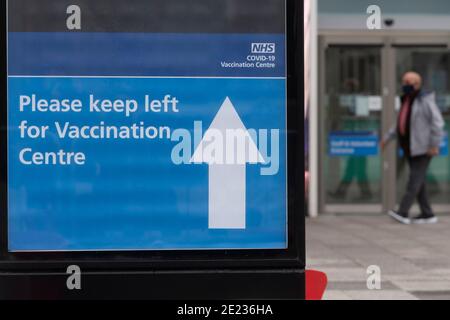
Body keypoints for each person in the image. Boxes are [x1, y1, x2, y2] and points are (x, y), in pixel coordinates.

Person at [381, 71, 444, 224]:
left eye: (407, 82)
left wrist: (434, 145)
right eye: (403, 81)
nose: (404, 85)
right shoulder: (407, 100)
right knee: (419, 181)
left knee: (414, 180)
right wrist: (387, 138)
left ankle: (403, 211)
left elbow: (438, 123)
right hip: (410, 147)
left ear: (416, 84)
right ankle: (427, 213)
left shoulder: (425, 101)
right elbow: (401, 122)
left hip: (423, 148)